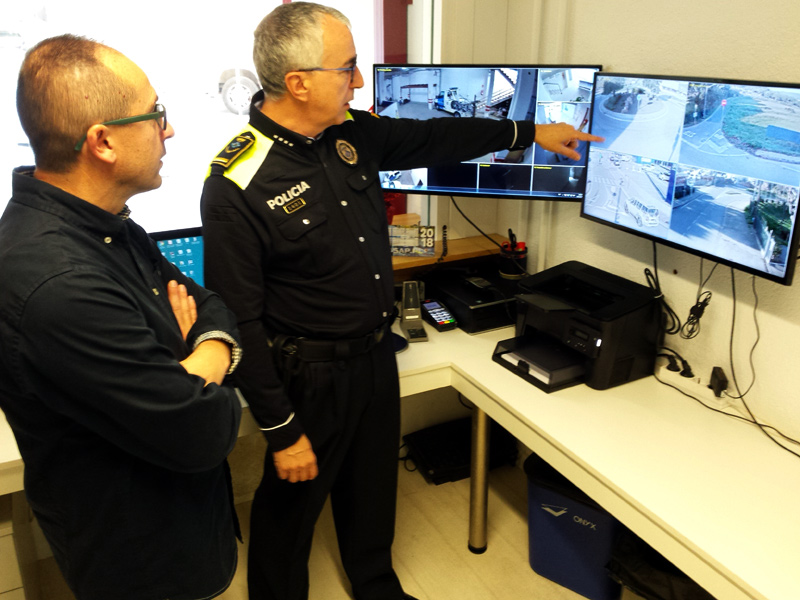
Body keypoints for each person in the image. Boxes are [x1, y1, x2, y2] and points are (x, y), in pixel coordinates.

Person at [200, 4, 603, 600]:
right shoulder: (237, 181)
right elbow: (242, 318)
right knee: (291, 504)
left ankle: (376, 586)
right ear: (298, 82)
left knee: (371, 491)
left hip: (373, 357)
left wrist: (530, 132)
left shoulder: (350, 135)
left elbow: (437, 134)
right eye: (349, 68)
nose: (360, 81)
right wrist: (281, 428)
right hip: (308, 375)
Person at [0, 35, 244, 600]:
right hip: (145, 562)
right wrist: (208, 358)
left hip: (188, 522)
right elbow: (202, 430)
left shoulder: (106, 224)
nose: (170, 130)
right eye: (157, 114)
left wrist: (193, 359)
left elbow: (209, 305)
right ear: (103, 142)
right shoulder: (59, 286)